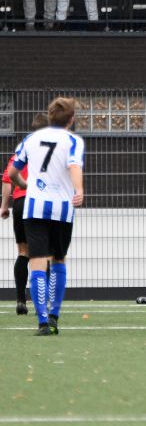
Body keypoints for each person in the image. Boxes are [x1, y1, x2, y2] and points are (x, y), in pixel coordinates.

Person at [4, 99, 84, 336]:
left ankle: (42, 323)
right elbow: (74, 167)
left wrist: (24, 185)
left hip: (34, 208)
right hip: (62, 209)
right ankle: (53, 317)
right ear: (71, 119)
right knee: (58, 260)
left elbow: (12, 173)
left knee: (36, 261)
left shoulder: (30, 139)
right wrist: (79, 190)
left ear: (50, 117)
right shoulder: (73, 141)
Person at [1, 113, 49, 315]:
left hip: (20, 203)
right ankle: (42, 303)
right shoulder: (50, 149)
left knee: (23, 251)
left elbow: (7, 178)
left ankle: (21, 300)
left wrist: (4, 206)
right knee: (43, 253)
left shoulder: (22, 149)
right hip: (40, 202)